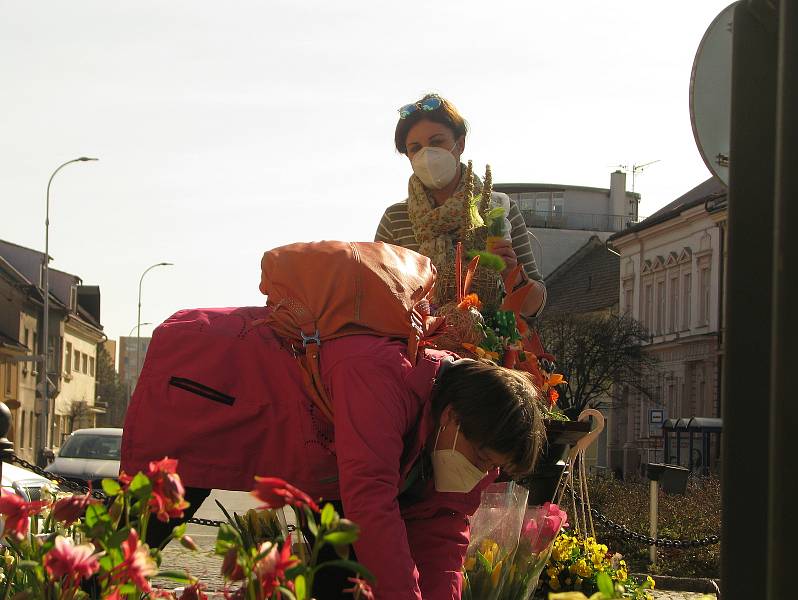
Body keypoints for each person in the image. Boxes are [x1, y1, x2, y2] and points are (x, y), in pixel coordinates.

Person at [121, 306, 544, 600]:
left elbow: (444, 531)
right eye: (485, 458)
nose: (484, 474)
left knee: (340, 568)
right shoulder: (382, 377)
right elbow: (371, 502)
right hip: (205, 379)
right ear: (452, 418)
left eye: (497, 469)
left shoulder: (460, 427)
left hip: (314, 460)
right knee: (135, 539)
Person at [375, 93, 547, 318]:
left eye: (437, 142)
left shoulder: (498, 210)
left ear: (461, 143)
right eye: (415, 148)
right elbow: (375, 298)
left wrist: (512, 274)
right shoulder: (394, 219)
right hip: (415, 348)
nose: (427, 155)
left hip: (488, 348)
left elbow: (535, 307)